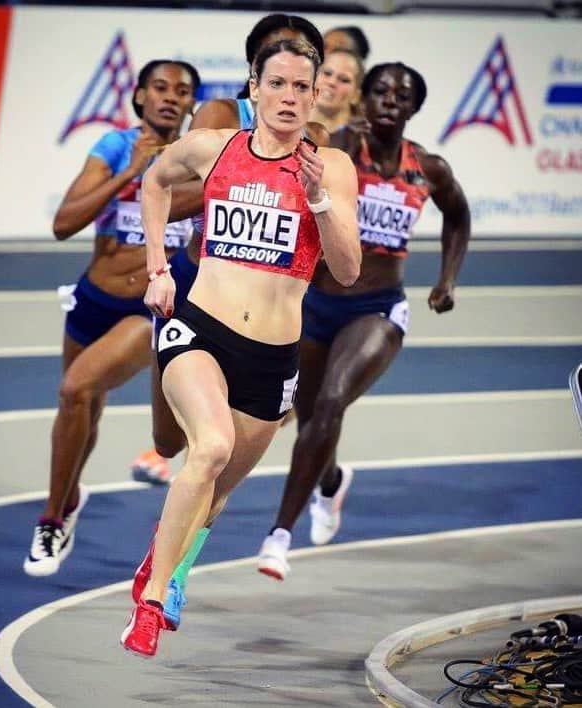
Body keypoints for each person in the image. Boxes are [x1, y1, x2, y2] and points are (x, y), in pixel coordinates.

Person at [120, 38, 362, 658]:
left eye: (301, 87)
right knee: (210, 447)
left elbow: (347, 269)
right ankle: (150, 601)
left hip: (272, 357)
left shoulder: (331, 167)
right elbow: (154, 182)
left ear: (314, 98)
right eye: (276, 84)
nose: (288, 97)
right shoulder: (213, 147)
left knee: (218, 489)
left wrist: (318, 200)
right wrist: (158, 269)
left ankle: (165, 560)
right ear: (253, 88)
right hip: (199, 327)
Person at [257, 61, 471, 580]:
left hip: (377, 310)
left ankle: (278, 536)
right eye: (379, 91)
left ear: (415, 107)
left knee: (331, 401)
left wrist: (447, 280)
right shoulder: (342, 150)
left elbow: (458, 217)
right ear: (365, 100)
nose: (389, 101)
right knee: (311, 423)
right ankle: (329, 483)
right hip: (313, 305)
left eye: (401, 95)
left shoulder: (429, 169)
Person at [131, 12, 327, 486]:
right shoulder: (219, 118)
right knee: (168, 440)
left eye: (303, 68)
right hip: (199, 286)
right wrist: (248, 184)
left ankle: (179, 531)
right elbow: (168, 190)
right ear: (255, 73)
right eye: (278, 62)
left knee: (216, 454)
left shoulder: (312, 138)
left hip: (267, 298)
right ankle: (181, 448)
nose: (291, 78)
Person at [23, 59, 201, 577]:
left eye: (181, 91)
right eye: (160, 88)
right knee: (84, 410)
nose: (170, 97)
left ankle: (51, 518)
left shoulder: (197, 159)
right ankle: (70, 499)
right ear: (140, 97)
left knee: (75, 390)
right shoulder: (113, 148)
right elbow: (64, 223)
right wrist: (129, 172)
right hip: (92, 300)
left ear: (192, 105)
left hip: (148, 306)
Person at [311, 47, 366, 144]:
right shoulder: (285, 125)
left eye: (344, 79)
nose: (331, 82)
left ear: (356, 95)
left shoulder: (363, 141)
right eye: (327, 73)